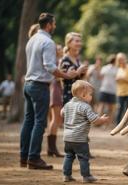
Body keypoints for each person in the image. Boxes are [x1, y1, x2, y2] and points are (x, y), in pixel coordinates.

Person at [20, 13, 81, 170]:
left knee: (28, 121)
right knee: (40, 122)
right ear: (49, 25)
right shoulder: (48, 42)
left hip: (28, 84)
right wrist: (67, 75)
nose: (54, 26)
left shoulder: (32, 39)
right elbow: (50, 66)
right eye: (53, 24)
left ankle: (24, 156)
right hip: (40, 85)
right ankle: (33, 158)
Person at [62, 80, 109, 183]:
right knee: (83, 158)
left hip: (67, 137)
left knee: (69, 156)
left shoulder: (67, 105)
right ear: (83, 95)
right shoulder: (85, 106)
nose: (91, 97)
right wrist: (102, 119)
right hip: (80, 139)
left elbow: (62, 114)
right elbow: (94, 120)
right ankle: (86, 176)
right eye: (90, 94)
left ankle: (66, 175)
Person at [60, 32, 88, 106]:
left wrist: (83, 73)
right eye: (76, 41)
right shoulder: (65, 59)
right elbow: (65, 78)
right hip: (69, 95)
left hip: (78, 96)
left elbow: (78, 78)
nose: (79, 43)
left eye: (80, 41)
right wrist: (79, 70)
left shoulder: (77, 60)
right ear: (69, 43)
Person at [47, 44, 64, 157]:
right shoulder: (56, 62)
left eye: (61, 48)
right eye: (58, 49)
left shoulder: (58, 61)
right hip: (55, 90)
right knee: (55, 119)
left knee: (56, 120)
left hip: (57, 90)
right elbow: (57, 77)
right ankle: (51, 148)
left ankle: (51, 148)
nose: (60, 50)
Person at [98, 54, 117, 125]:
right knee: (110, 108)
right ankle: (108, 123)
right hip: (112, 90)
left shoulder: (104, 68)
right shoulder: (117, 69)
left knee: (101, 106)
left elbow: (100, 77)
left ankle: (99, 122)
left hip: (104, 89)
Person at [115, 53, 128, 124]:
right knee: (119, 110)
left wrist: (122, 78)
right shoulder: (119, 69)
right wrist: (117, 79)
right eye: (119, 59)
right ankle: (118, 125)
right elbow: (117, 80)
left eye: (122, 59)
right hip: (120, 93)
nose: (121, 61)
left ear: (125, 59)